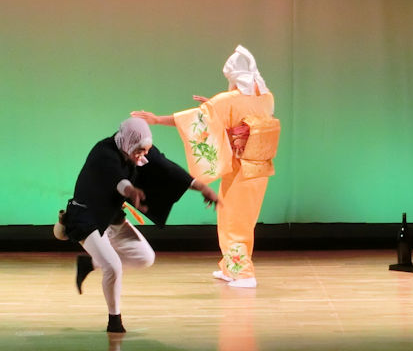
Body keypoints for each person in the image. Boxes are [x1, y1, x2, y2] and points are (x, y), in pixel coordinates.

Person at [132, 45, 280, 288]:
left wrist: (157, 119)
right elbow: (241, 113)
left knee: (235, 220)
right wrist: (214, 107)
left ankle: (244, 274)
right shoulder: (267, 97)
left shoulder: (227, 100)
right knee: (236, 217)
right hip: (258, 167)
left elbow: (197, 119)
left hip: (242, 169)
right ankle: (230, 267)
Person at [60, 117, 218, 332]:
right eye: (140, 151)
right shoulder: (103, 152)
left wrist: (202, 187)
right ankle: (114, 321)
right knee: (113, 266)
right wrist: (131, 190)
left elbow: (169, 169)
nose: (143, 155)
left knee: (145, 257)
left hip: (112, 217)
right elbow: (117, 179)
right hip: (87, 217)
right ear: (128, 142)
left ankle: (89, 264)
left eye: (146, 151)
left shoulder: (140, 150)